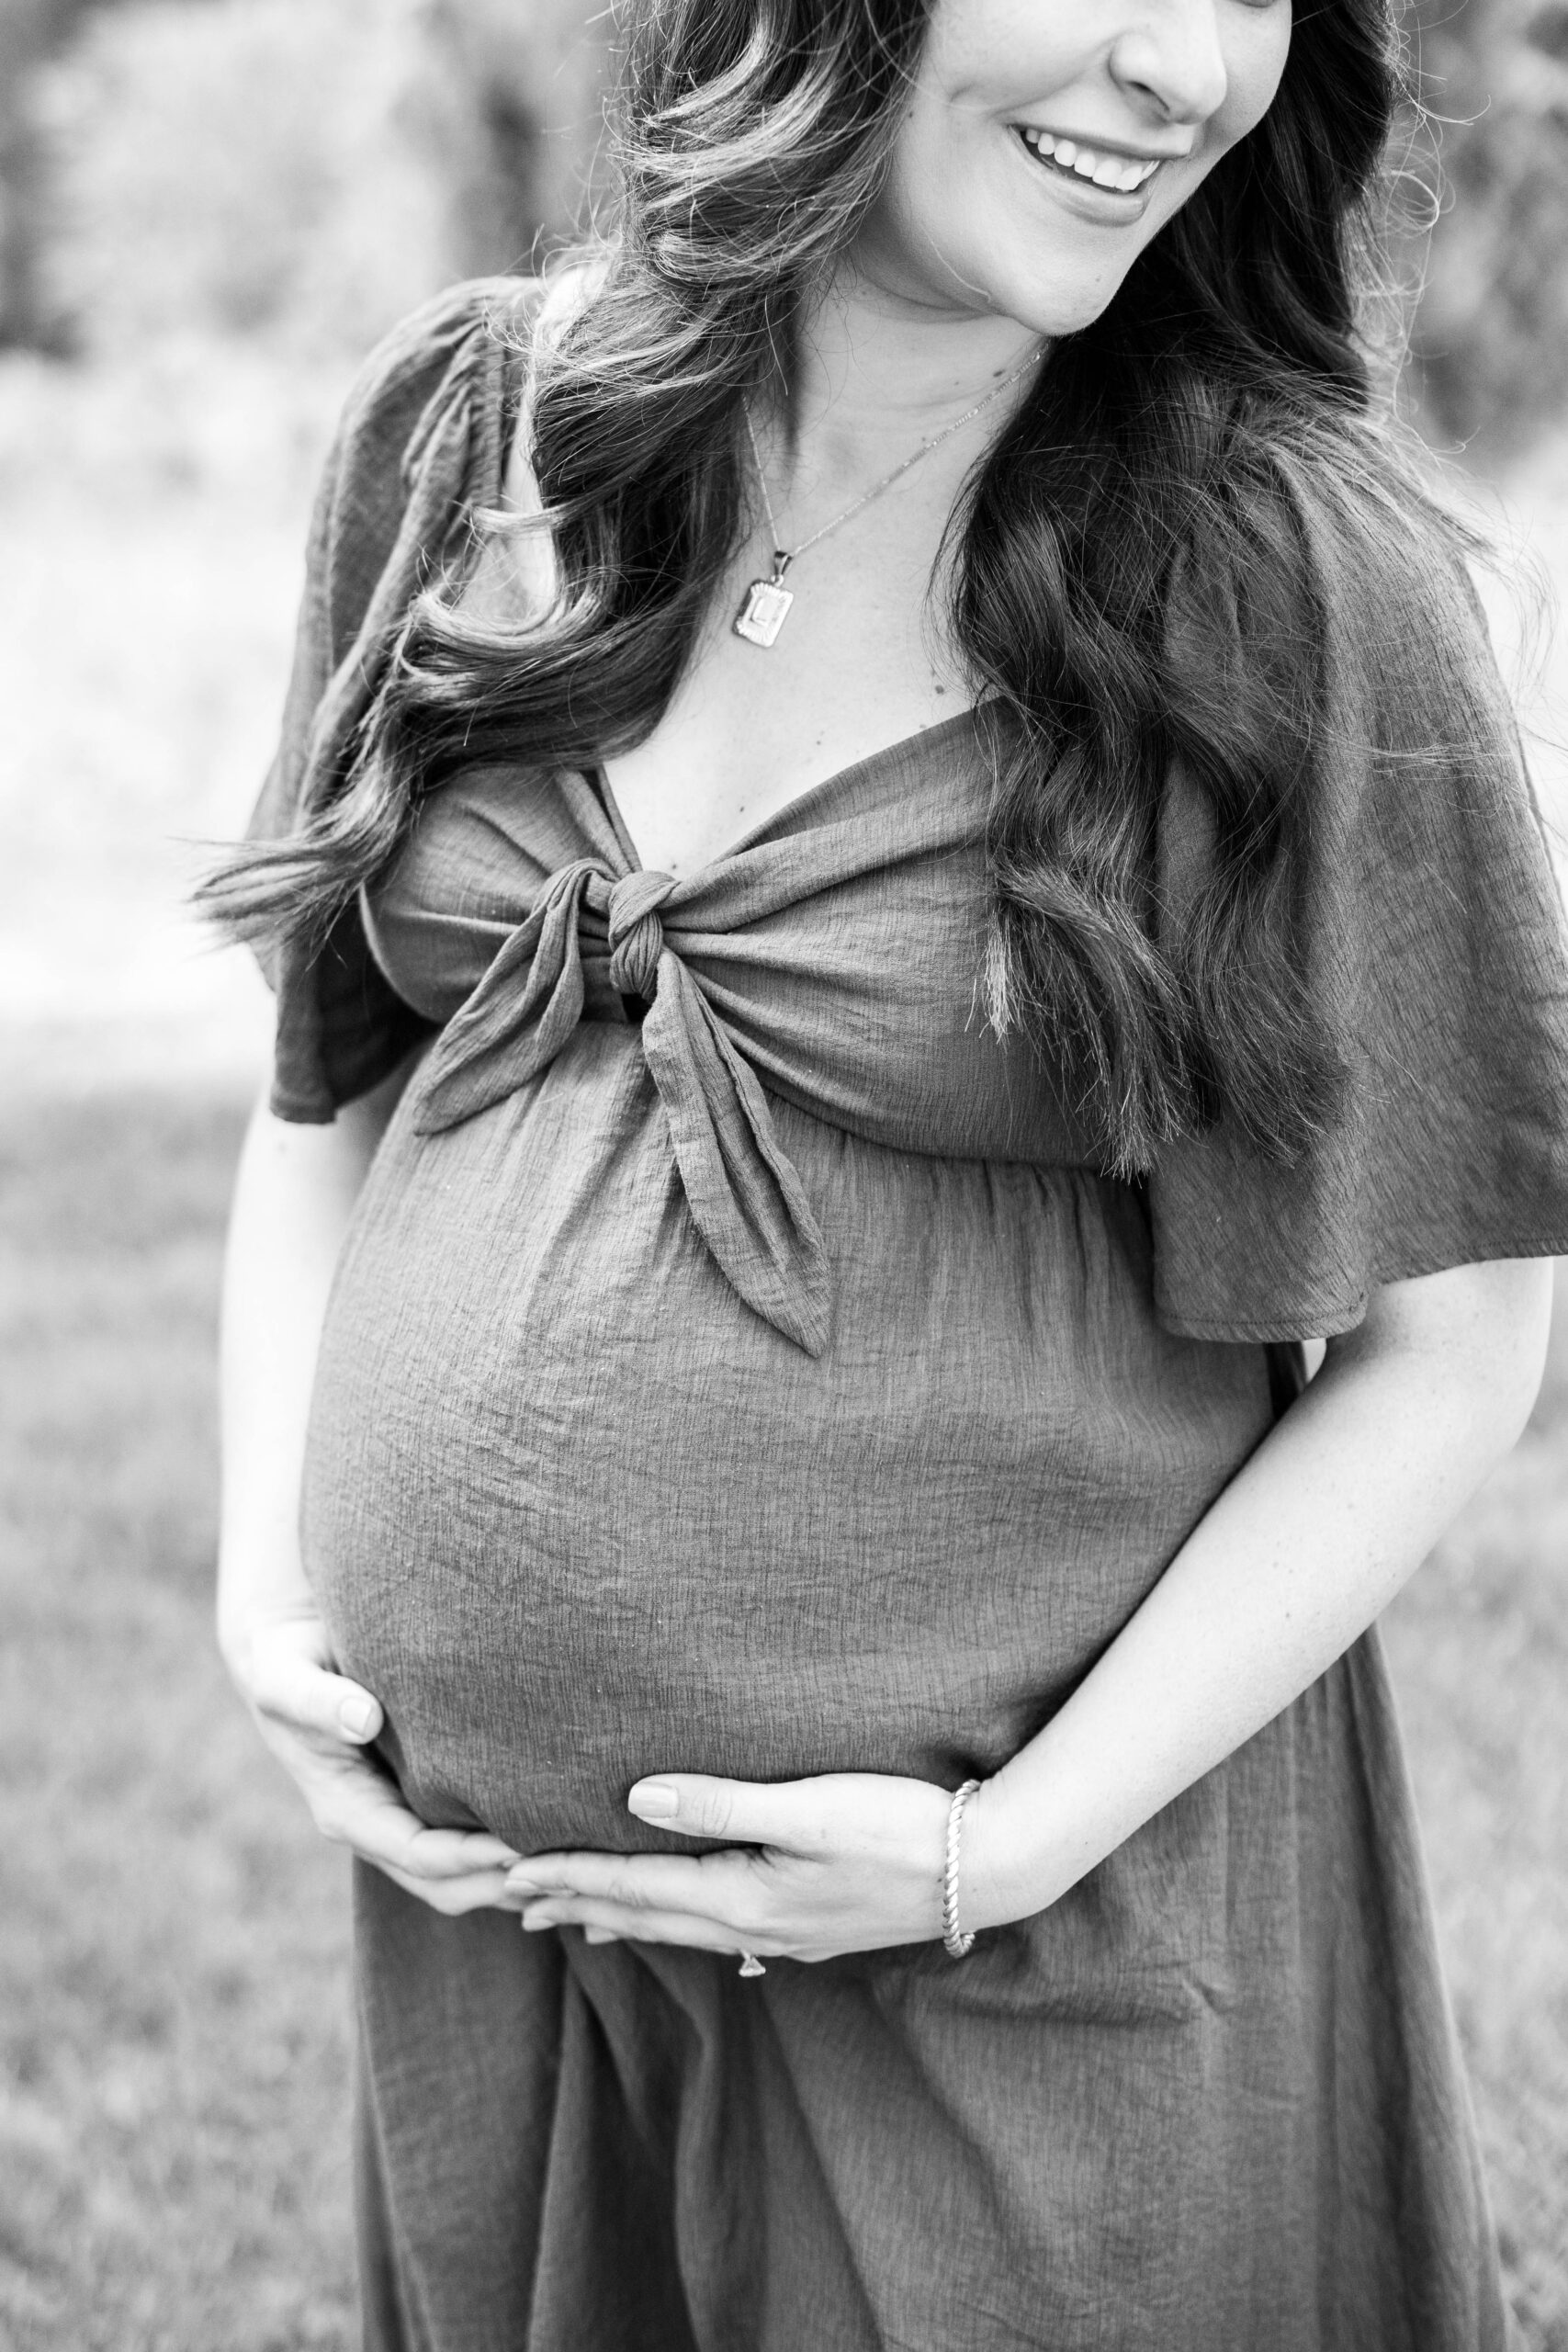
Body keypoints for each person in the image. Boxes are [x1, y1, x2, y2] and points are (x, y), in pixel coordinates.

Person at [204, 0, 1568, 2342]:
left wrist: (982, 1850)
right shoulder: (468, 439)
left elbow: (1453, 1347)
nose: (1177, 64)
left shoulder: (1290, 573)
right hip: (512, 1964)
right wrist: (270, 1588)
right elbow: (323, 1099)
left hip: (1032, 1966)